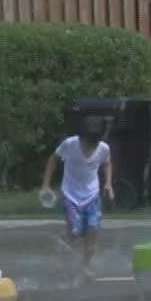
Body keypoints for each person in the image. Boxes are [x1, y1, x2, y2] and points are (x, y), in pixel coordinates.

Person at [41, 116, 115, 274]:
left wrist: (108, 183)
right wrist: (46, 185)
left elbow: (107, 163)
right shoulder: (69, 144)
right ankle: (67, 240)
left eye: (93, 144)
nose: (90, 147)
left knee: (93, 232)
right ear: (81, 137)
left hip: (92, 195)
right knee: (76, 233)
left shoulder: (103, 148)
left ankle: (85, 265)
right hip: (71, 194)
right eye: (87, 143)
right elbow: (52, 160)